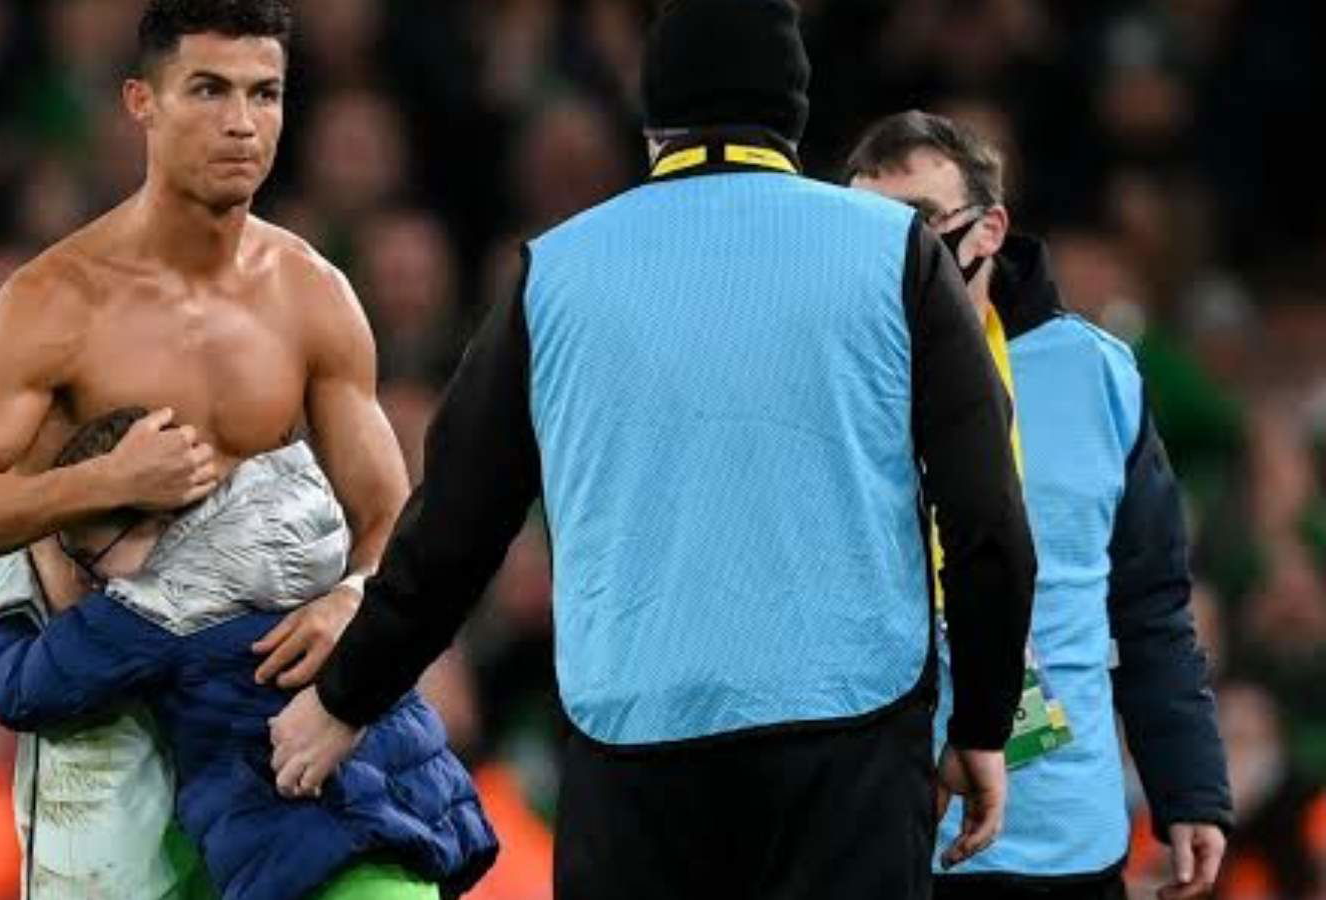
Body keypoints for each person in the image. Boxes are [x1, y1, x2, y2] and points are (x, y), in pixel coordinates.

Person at [271, 2, 1038, 898]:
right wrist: (982, 723)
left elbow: (455, 526)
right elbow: (988, 523)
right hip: (851, 745)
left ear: (652, 125)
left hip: (633, 747)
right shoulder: (899, 253)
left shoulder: (553, 272)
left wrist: (345, 698)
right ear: (793, 119)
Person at [0, 0, 406, 896]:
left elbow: (392, 514)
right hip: (106, 722)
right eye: (207, 90)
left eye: (265, 93)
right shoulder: (55, 301)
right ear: (143, 102)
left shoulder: (312, 295)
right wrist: (100, 483)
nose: (242, 123)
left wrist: (357, 599)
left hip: (266, 704)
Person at [845, 110, 1231, 900]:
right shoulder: (831, 376)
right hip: (890, 842)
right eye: (864, 225)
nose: (887, 251)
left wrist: (1188, 784)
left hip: (1068, 844)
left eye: (915, 224)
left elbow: (1149, 599)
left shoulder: (1098, 374)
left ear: (989, 230)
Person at [0, 409, 496, 900]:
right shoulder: (305, 522)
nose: (89, 581)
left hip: (308, 862)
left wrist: (1, 610)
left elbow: (24, 690)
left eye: (93, 558)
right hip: (412, 835)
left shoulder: (152, 608)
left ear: (152, 517)